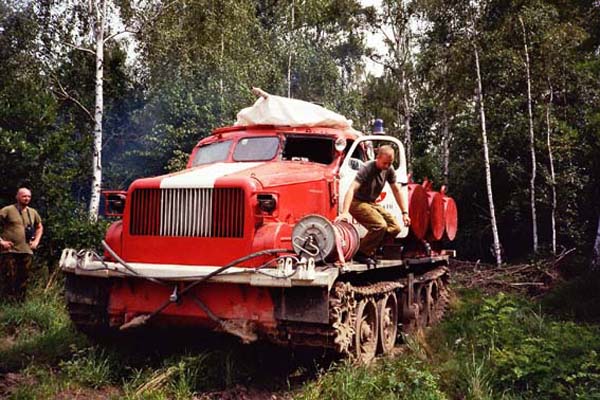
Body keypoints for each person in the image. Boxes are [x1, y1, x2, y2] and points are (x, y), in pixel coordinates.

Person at [337, 145, 410, 267]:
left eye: (390, 163)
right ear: (378, 158)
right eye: (385, 163)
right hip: (357, 202)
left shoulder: (389, 170)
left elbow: (397, 191)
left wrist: (404, 213)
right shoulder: (367, 168)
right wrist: (344, 212)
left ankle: (370, 250)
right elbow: (351, 189)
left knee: (395, 228)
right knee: (380, 225)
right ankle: (362, 253)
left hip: (371, 203)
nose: (387, 166)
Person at [0, 188, 43, 301]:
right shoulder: (8, 210)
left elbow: (39, 227)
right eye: (24, 196)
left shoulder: (32, 212)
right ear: (17, 196)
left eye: (29, 196)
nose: (27, 198)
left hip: (26, 250)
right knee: (8, 278)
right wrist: (2, 242)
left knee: (24, 279)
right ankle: (6, 304)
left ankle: (20, 304)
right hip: (10, 250)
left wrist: (36, 241)